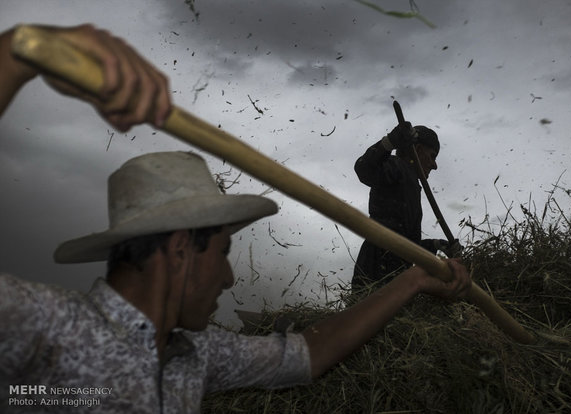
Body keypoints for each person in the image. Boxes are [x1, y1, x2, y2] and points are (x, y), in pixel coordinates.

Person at [0, 23, 472, 413]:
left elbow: (310, 352)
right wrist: (21, 54)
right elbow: (365, 168)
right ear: (181, 247)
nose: (228, 278)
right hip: (380, 256)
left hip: (399, 262)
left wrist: (417, 279)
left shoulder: (198, 356)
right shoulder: (44, 326)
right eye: (222, 252)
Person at [352, 122, 462, 290]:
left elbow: (408, 244)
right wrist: (389, 142)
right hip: (379, 266)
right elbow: (364, 169)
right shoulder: (396, 166)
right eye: (432, 156)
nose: (434, 165)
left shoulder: (411, 183)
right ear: (417, 151)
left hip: (396, 269)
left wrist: (436, 245)